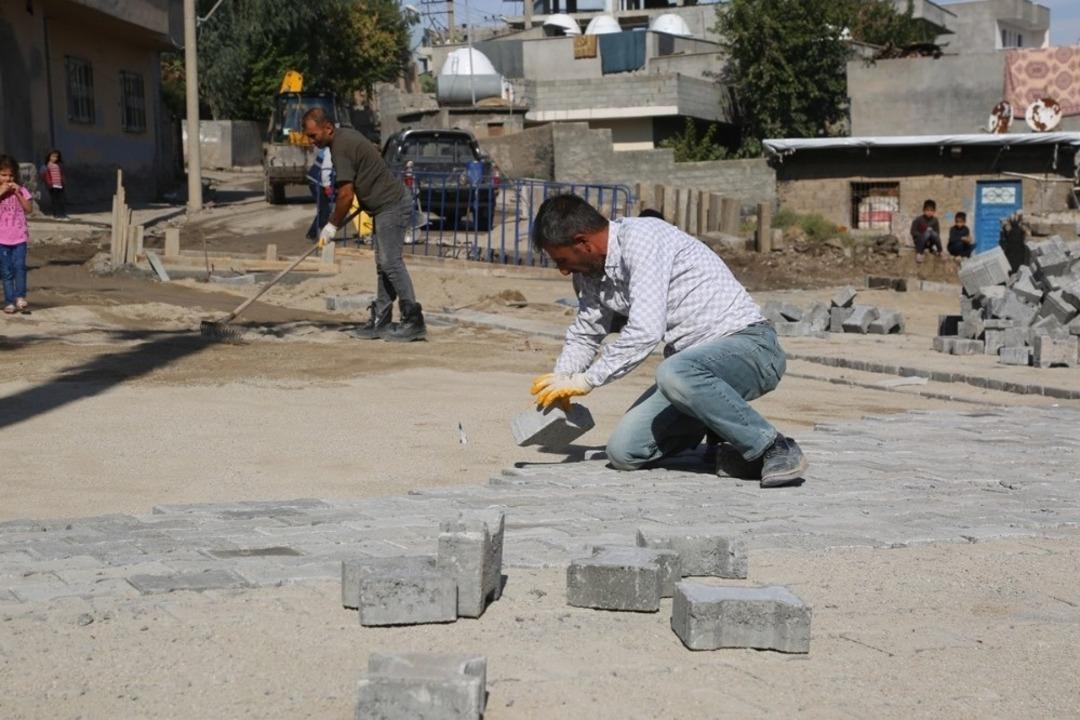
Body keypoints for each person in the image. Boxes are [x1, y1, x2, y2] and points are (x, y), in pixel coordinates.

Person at [528, 194, 807, 488]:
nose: (563, 270)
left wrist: (587, 380)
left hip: (750, 347)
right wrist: (562, 379)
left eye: (562, 260)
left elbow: (646, 330)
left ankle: (773, 447)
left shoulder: (643, 239)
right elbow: (586, 333)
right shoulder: (589, 273)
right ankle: (724, 436)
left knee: (672, 372)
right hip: (691, 375)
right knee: (624, 452)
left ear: (583, 242)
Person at [301, 107, 425, 342]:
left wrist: (331, 226)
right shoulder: (343, 138)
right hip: (381, 206)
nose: (311, 141)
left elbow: (345, 196)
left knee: (390, 262)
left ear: (327, 128)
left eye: (313, 135)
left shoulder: (340, 148)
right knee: (383, 264)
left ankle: (413, 320)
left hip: (392, 204)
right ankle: (381, 319)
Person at [0, 155, 33, 314]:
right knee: (6, 271)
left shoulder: (21, 189)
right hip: (2, 239)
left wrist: (19, 193)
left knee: (19, 267)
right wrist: (2, 192)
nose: (8, 178)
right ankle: (9, 301)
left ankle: (20, 296)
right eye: (3, 175)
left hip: (19, 237)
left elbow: (29, 209)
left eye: (11, 175)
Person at [305, 146, 335, 241]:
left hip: (320, 181)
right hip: (316, 182)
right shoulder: (331, 150)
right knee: (325, 209)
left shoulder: (333, 148)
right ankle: (314, 234)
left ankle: (315, 233)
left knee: (325, 209)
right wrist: (327, 186)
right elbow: (326, 170)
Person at [39, 149, 67, 219]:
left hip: (60, 185)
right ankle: (56, 215)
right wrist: (47, 183)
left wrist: (63, 182)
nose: (55, 158)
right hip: (52, 186)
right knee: (55, 201)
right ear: (49, 157)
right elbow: (42, 175)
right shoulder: (46, 166)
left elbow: (62, 174)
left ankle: (62, 214)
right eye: (53, 156)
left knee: (61, 200)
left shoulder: (59, 165)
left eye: (56, 157)